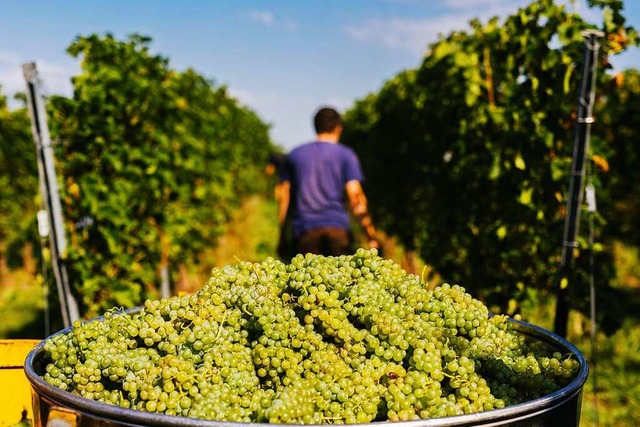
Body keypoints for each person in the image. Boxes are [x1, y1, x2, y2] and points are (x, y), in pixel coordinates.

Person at [277, 106, 379, 257]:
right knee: (342, 278)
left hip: (305, 231)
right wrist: (370, 235)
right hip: (337, 230)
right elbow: (355, 196)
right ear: (338, 128)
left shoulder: (295, 155)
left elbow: (285, 197)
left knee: (307, 279)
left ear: (316, 127)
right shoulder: (346, 155)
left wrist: (282, 235)